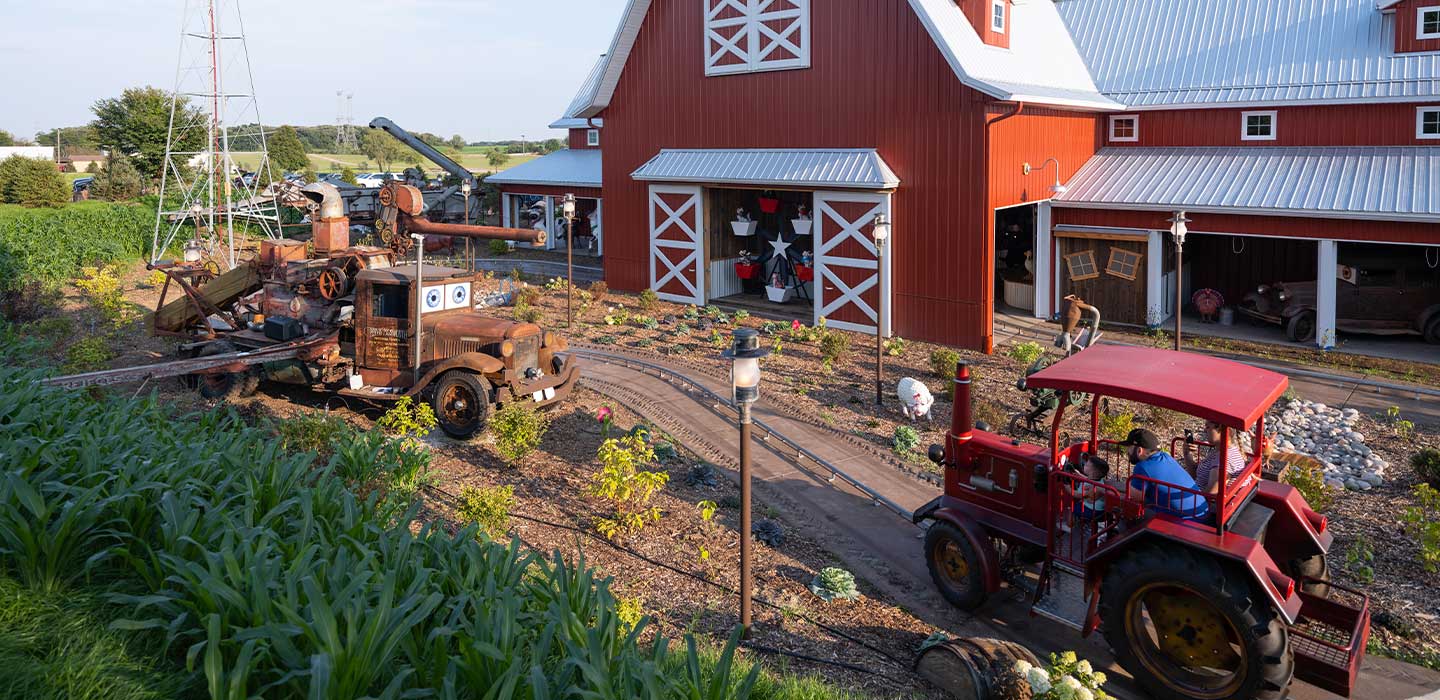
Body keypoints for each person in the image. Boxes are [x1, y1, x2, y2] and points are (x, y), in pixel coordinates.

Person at [1120, 428, 1209, 521]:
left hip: (1184, 523)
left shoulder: (1142, 467)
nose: (1127, 452)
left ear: (1139, 450)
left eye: (1129, 447)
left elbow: (1134, 500)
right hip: (1201, 514)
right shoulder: (1166, 457)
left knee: (1126, 511)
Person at [1183, 420, 1247, 495]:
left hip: (1200, 503)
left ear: (1223, 430)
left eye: (1208, 427)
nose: (1204, 430)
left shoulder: (1223, 458)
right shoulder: (1222, 451)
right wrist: (1187, 454)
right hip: (1197, 498)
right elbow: (1196, 475)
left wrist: (1188, 494)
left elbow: (1211, 494)